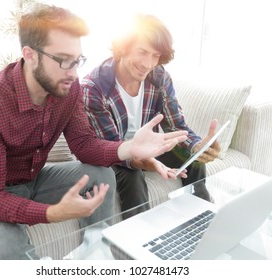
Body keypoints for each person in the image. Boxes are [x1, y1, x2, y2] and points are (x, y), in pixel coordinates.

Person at [0, 5, 188, 260]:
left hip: (37, 178)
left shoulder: (69, 87)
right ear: (30, 54)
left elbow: (83, 144)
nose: (73, 73)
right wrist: (52, 213)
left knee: (101, 175)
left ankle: (96, 254)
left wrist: (129, 148)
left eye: (77, 60)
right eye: (63, 60)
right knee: (9, 252)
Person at [81, 14, 221, 219]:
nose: (148, 63)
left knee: (193, 158)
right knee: (133, 177)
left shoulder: (159, 76)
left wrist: (197, 147)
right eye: (142, 52)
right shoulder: (94, 88)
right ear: (123, 47)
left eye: (155, 55)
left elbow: (175, 126)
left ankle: (202, 219)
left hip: (149, 147)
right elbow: (111, 149)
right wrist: (146, 161)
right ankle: (139, 238)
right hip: (115, 155)